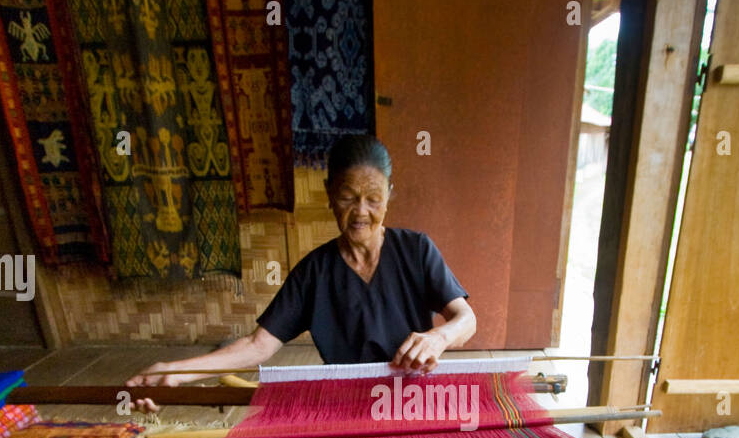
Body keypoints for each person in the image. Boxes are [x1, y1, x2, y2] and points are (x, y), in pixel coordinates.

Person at [126, 134, 477, 411]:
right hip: (347, 404)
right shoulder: (315, 273)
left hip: (413, 401)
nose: (361, 212)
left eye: (374, 199)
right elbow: (257, 345)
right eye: (347, 197)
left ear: (389, 195)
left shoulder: (416, 250)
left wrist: (439, 338)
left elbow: (465, 318)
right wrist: (176, 370)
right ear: (328, 195)